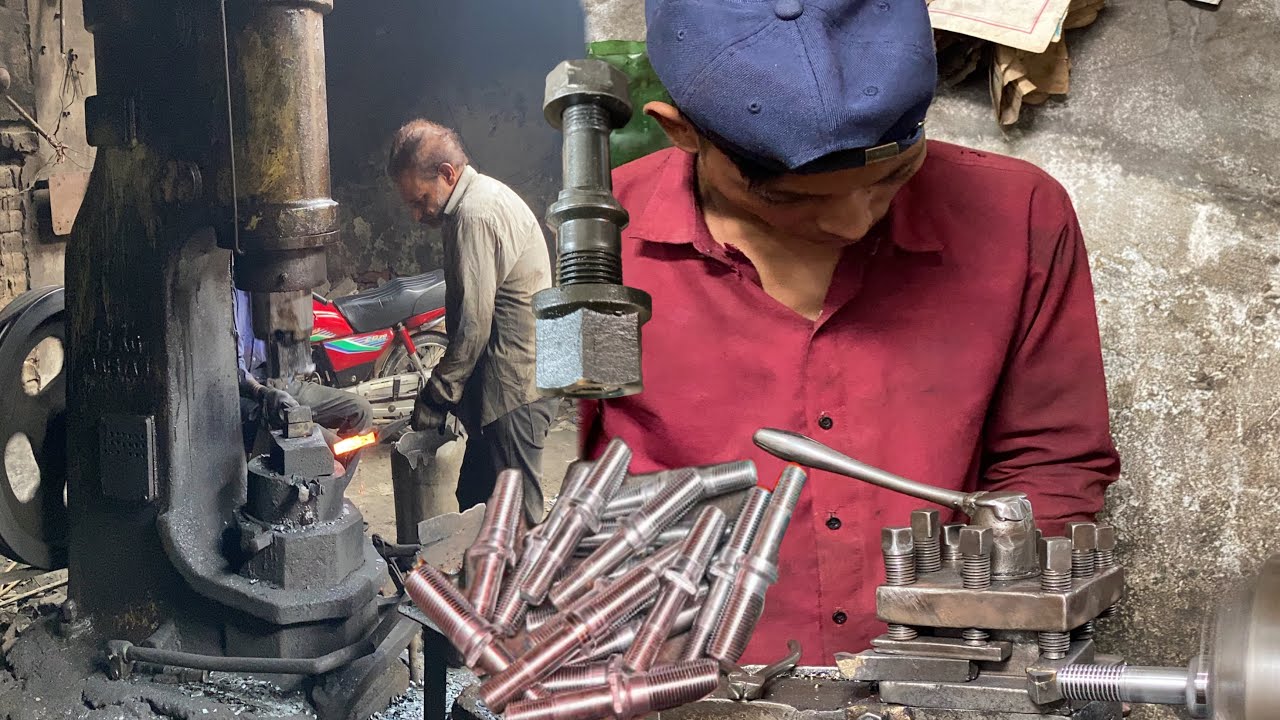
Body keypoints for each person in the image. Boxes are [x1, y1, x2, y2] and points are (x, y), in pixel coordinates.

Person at [579, 0, 1121, 666]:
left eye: (893, 176)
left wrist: (987, 644)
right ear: (680, 130)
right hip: (673, 682)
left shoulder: (1019, 218)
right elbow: (559, 475)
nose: (852, 223)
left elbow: (1051, 464)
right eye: (794, 198)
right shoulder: (599, 251)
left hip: (936, 678)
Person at [388, 120, 556, 524]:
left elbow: (473, 327)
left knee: (517, 520)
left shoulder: (474, 214)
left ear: (447, 174)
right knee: (476, 501)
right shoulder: (475, 201)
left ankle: (528, 585)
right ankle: (480, 585)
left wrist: (436, 396)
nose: (415, 215)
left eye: (419, 200)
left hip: (515, 390)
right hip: (501, 387)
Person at [234, 287, 374, 452]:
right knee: (305, 429)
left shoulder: (277, 286)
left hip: (283, 383)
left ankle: (340, 468)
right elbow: (235, 369)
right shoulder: (230, 294)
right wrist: (260, 391)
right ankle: (331, 458)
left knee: (361, 410)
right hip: (245, 391)